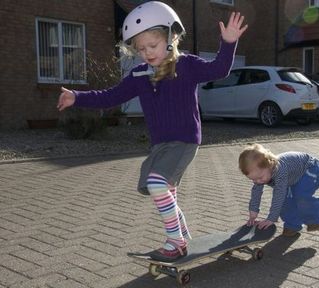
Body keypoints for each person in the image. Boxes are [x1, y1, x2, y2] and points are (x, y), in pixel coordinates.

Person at [57, 1, 247, 261]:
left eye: (152, 46)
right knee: (167, 192)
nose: (147, 53)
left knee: (156, 183)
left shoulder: (187, 66)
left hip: (184, 140)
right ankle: (185, 237)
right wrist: (77, 97)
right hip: (160, 144)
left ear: (171, 37)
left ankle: (175, 241)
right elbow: (110, 96)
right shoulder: (139, 75)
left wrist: (228, 43)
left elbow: (219, 69)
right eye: (140, 49)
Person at [238, 143, 319, 237]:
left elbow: (278, 196)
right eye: (253, 179)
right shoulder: (260, 175)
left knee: (300, 195)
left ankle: (315, 220)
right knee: (286, 202)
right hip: (292, 178)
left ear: (270, 165)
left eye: (259, 178)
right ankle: (292, 226)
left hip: (309, 169)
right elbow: (256, 194)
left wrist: (271, 218)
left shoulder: (280, 170)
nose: (257, 181)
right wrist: (253, 213)